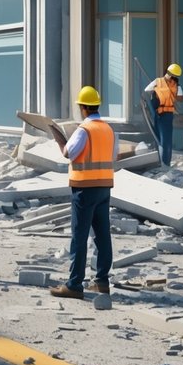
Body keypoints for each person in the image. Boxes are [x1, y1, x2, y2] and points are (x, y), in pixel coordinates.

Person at [51, 86, 116, 299]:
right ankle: (102, 281)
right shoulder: (108, 129)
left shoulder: (83, 130)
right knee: (102, 235)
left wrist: (59, 137)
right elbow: (112, 155)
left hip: (84, 189)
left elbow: (68, 153)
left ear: (83, 108)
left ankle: (74, 284)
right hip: (104, 187)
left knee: (79, 236)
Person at [144, 63, 183, 166]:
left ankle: (163, 162)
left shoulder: (157, 82)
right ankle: (163, 162)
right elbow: (181, 98)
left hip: (160, 114)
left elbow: (146, 91)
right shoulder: (175, 86)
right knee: (164, 139)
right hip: (163, 115)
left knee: (160, 139)